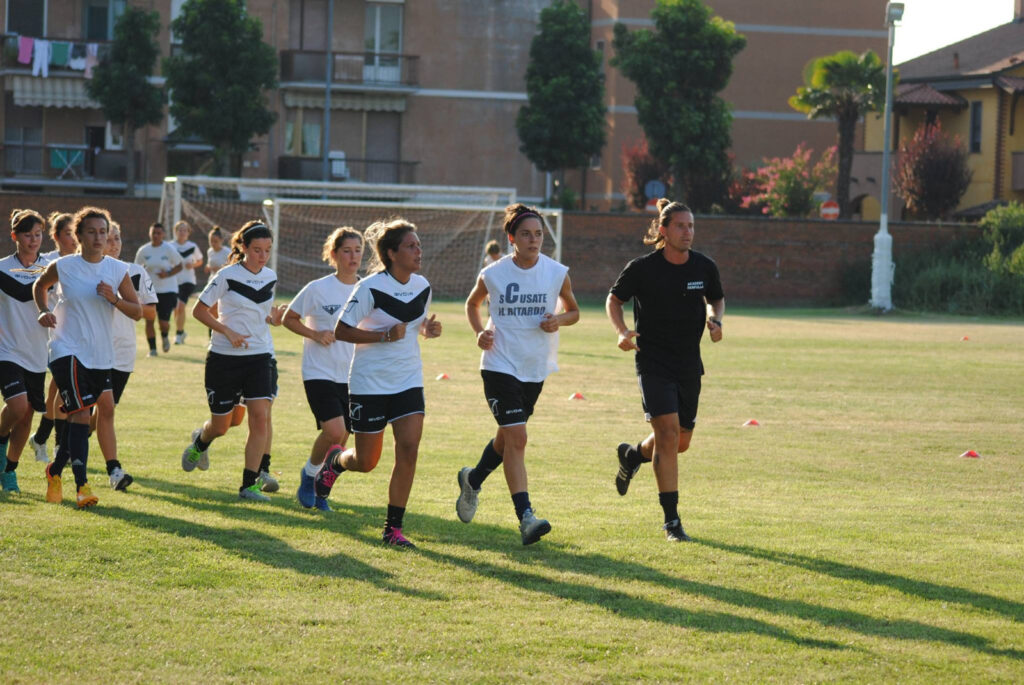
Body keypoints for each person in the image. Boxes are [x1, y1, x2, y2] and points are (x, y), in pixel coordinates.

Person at [455, 204, 580, 545]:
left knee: (507, 438)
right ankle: (526, 517)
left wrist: (559, 320)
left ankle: (473, 479)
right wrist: (479, 331)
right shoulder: (494, 273)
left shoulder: (556, 273)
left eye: (538, 234)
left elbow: (574, 311)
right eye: (526, 234)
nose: (533, 240)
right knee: (519, 438)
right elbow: (472, 304)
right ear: (511, 238)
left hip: (534, 367)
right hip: (498, 364)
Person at [313, 219, 442, 547]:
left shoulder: (422, 285)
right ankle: (336, 461)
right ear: (391, 253)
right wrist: (382, 335)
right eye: (411, 246)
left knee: (409, 448)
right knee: (366, 462)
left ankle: (393, 529)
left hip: (408, 379)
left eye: (418, 244)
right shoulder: (370, 288)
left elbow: (416, 324)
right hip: (369, 383)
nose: (418, 251)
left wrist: (427, 328)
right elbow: (342, 330)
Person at [605, 199, 724, 542]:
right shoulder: (642, 268)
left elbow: (717, 298)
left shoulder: (704, 267)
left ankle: (632, 455)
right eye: (681, 226)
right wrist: (622, 332)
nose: (688, 232)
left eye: (691, 227)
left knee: (679, 441)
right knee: (669, 435)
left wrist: (715, 319)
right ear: (663, 230)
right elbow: (614, 299)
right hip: (652, 361)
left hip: (688, 363)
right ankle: (672, 522)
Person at [33, 206, 142, 508]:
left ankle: (55, 470)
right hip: (66, 349)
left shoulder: (117, 270)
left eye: (103, 232)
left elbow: (137, 312)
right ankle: (82, 486)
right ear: (78, 235)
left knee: (84, 414)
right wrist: (43, 310)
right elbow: (40, 285)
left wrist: (115, 299)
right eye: (91, 232)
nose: (98, 237)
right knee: (81, 412)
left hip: (100, 355)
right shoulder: (65, 265)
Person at [180, 221, 286, 502]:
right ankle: (201, 441)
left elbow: (260, 315)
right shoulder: (226, 276)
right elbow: (199, 310)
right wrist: (227, 330)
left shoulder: (270, 277)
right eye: (256, 250)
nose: (262, 256)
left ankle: (248, 485)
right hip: (224, 359)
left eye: (267, 250)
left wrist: (273, 319)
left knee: (260, 418)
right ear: (242, 247)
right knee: (222, 425)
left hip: (260, 356)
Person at [284, 227, 363, 511]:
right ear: (334, 254)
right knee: (334, 431)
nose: (353, 256)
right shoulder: (318, 288)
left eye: (357, 251)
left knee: (341, 439)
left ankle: (321, 491)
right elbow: (289, 318)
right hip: (319, 372)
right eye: (347, 250)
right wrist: (315, 334)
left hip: (353, 376)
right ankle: (308, 474)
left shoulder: (366, 289)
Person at [90, 221, 158, 490]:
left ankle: (70, 445)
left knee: (104, 410)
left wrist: (121, 300)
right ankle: (111, 468)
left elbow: (150, 312)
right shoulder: (87, 270)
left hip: (122, 353)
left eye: (117, 238)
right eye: (110, 238)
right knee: (100, 408)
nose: (114, 243)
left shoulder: (135, 272)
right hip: (91, 351)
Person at [0, 209, 50, 492]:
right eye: (28, 235)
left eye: (38, 235)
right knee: (17, 405)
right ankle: (0, 438)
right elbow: (21, 295)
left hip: (37, 353)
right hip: (6, 350)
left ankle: (9, 469)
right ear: (14, 236)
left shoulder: (51, 268)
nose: (33, 240)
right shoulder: (2, 268)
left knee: (27, 415)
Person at [27, 212, 77, 463]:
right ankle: (57, 445)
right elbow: (32, 285)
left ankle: (42, 439)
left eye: (75, 233)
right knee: (60, 390)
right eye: (68, 234)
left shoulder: (83, 261)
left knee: (59, 390)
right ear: (56, 237)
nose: (74, 239)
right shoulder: (46, 261)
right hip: (48, 336)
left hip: (73, 336)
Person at [134, 222, 183, 356]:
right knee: (149, 320)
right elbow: (136, 269)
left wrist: (167, 274)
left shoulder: (169, 249)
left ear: (163, 235)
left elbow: (180, 266)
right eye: (153, 233)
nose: (155, 235)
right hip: (149, 291)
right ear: (150, 233)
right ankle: (153, 349)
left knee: (163, 322)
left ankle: (165, 336)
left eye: (158, 233)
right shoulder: (144, 250)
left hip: (167, 290)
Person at [172, 220, 203, 345]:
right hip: (173, 281)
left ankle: (178, 335)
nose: (182, 232)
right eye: (180, 230)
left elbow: (200, 260)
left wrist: (193, 265)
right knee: (176, 309)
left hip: (188, 281)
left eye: (185, 230)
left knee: (180, 306)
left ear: (188, 233)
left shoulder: (192, 246)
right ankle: (181, 331)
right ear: (175, 232)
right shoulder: (170, 246)